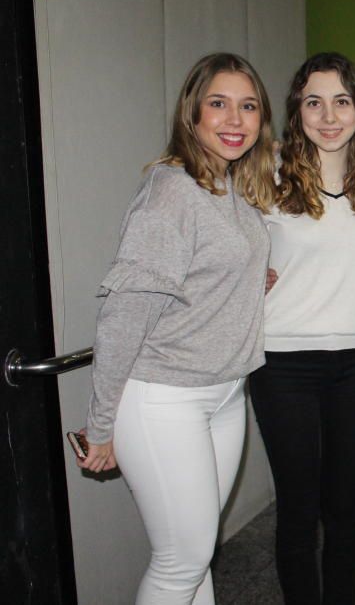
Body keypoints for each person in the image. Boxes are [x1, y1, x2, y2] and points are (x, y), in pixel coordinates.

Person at [80, 52, 275, 605]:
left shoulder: (228, 186)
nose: (235, 120)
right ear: (192, 114)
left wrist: (249, 277)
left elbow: (202, 270)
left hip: (223, 393)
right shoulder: (173, 191)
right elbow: (125, 313)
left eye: (248, 106)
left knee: (196, 553)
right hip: (166, 397)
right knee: (179, 561)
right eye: (219, 104)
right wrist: (100, 425)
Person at [250, 52, 355, 604]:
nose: (328, 116)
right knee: (299, 508)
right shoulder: (267, 173)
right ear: (296, 111)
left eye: (341, 101)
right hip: (283, 363)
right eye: (314, 102)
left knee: (346, 508)